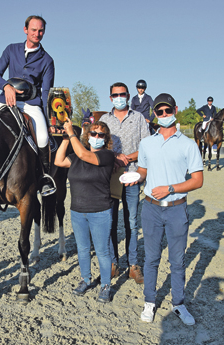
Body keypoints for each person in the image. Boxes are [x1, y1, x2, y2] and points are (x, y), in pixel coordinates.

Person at [125, 93, 203, 325]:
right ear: (155, 115)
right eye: (159, 112)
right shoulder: (147, 143)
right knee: (151, 258)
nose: (164, 115)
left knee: (177, 261)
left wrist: (170, 188)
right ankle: (150, 302)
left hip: (177, 209)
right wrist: (134, 177)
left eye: (167, 111)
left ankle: (178, 303)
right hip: (150, 208)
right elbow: (144, 172)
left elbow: (197, 180)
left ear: (175, 110)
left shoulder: (188, 144)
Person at [0, 15, 56, 196]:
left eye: (41, 30)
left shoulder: (47, 60)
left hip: (31, 104)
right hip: (6, 100)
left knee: (42, 138)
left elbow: (46, 92)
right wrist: (6, 86)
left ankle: (43, 178)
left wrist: (47, 118)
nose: (37, 33)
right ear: (25, 30)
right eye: (33, 30)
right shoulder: (11, 49)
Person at [55, 117, 116, 303]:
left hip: (100, 211)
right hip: (77, 211)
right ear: (87, 136)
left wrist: (72, 133)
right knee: (82, 249)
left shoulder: (106, 156)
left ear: (105, 139)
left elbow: (84, 155)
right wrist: (66, 138)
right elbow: (58, 160)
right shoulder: (75, 157)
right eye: (93, 133)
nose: (96, 136)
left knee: (102, 250)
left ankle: (106, 285)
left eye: (100, 134)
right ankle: (85, 279)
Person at [99, 82, 151, 284]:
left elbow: (145, 147)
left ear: (128, 96)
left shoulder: (138, 118)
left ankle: (133, 264)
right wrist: (113, 158)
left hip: (132, 176)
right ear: (110, 97)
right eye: (115, 94)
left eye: (122, 94)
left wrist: (127, 158)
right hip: (109, 177)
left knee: (131, 222)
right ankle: (113, 262)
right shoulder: (104, 119)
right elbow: (99, 147)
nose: (119, 97)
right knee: (110, 221)